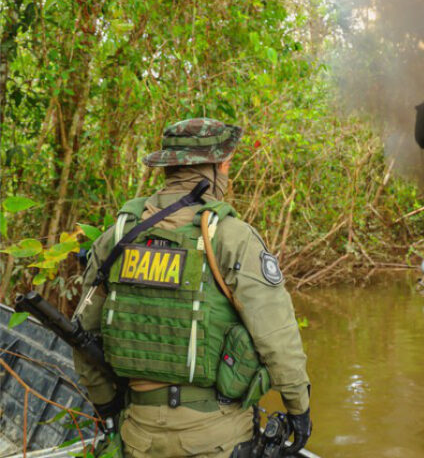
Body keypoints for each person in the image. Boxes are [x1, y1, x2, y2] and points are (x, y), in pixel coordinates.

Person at [72, 118, 311, 457]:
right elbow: (277, 336)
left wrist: (107, 407)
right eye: (227, 164)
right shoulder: (232, 237)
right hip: (218, 438)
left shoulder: (118, 236)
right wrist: (299, 408)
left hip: (139, 435)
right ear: (218, 167)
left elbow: (82, 336)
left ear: (168, 166)